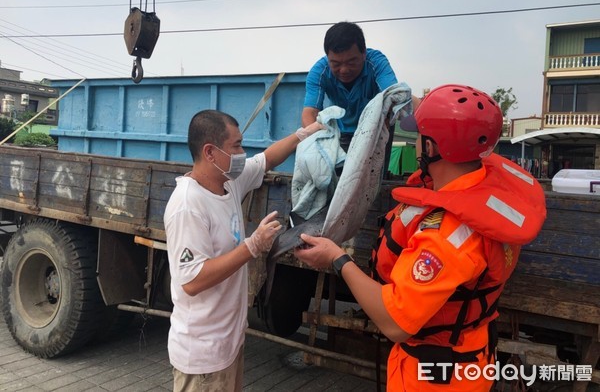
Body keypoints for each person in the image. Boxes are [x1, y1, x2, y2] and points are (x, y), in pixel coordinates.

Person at [295, 84, 547, 391]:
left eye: (419, 137)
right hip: (471, 355)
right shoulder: (488, 191)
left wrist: (337, 259)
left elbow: (395, 322)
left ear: (430, 148)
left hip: (436, 376)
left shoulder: (446, 236)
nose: (415, 143)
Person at [164, 110, 322, 392]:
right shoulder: (188, 205)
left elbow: (267, 159)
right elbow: (192, 281)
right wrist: (252, 246)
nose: (242, 152)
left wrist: (303, 135)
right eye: (236, 146)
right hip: (203, 357)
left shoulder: (229, 182)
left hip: (229, 345)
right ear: (210, 152)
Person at [302, 21, 401, 152]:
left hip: (376, 131)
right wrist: (318, 148)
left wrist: (380, 137)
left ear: (363, 53)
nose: (344, 70)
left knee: (374, 171)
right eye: (336, 64)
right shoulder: (319, 72)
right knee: (337, 170)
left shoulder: (377, 62)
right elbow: (310, 112)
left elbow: (393, 96)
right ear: (328, 57)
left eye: (351, 62)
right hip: (342, 131)